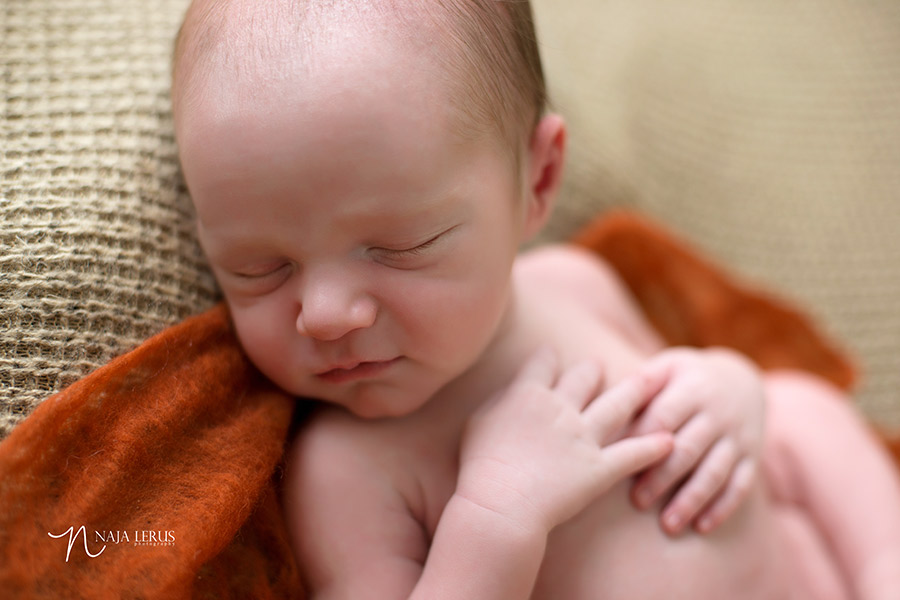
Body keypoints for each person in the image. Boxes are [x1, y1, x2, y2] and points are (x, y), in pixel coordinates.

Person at [170, 0, 900, 598]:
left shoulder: (578, 287)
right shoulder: (348, 469)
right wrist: (494, 518)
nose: (324, 313)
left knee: (803, 407)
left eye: (399, 247)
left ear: (539, 182)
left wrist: (727, 397)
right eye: (258, 268)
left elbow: (689, 410)